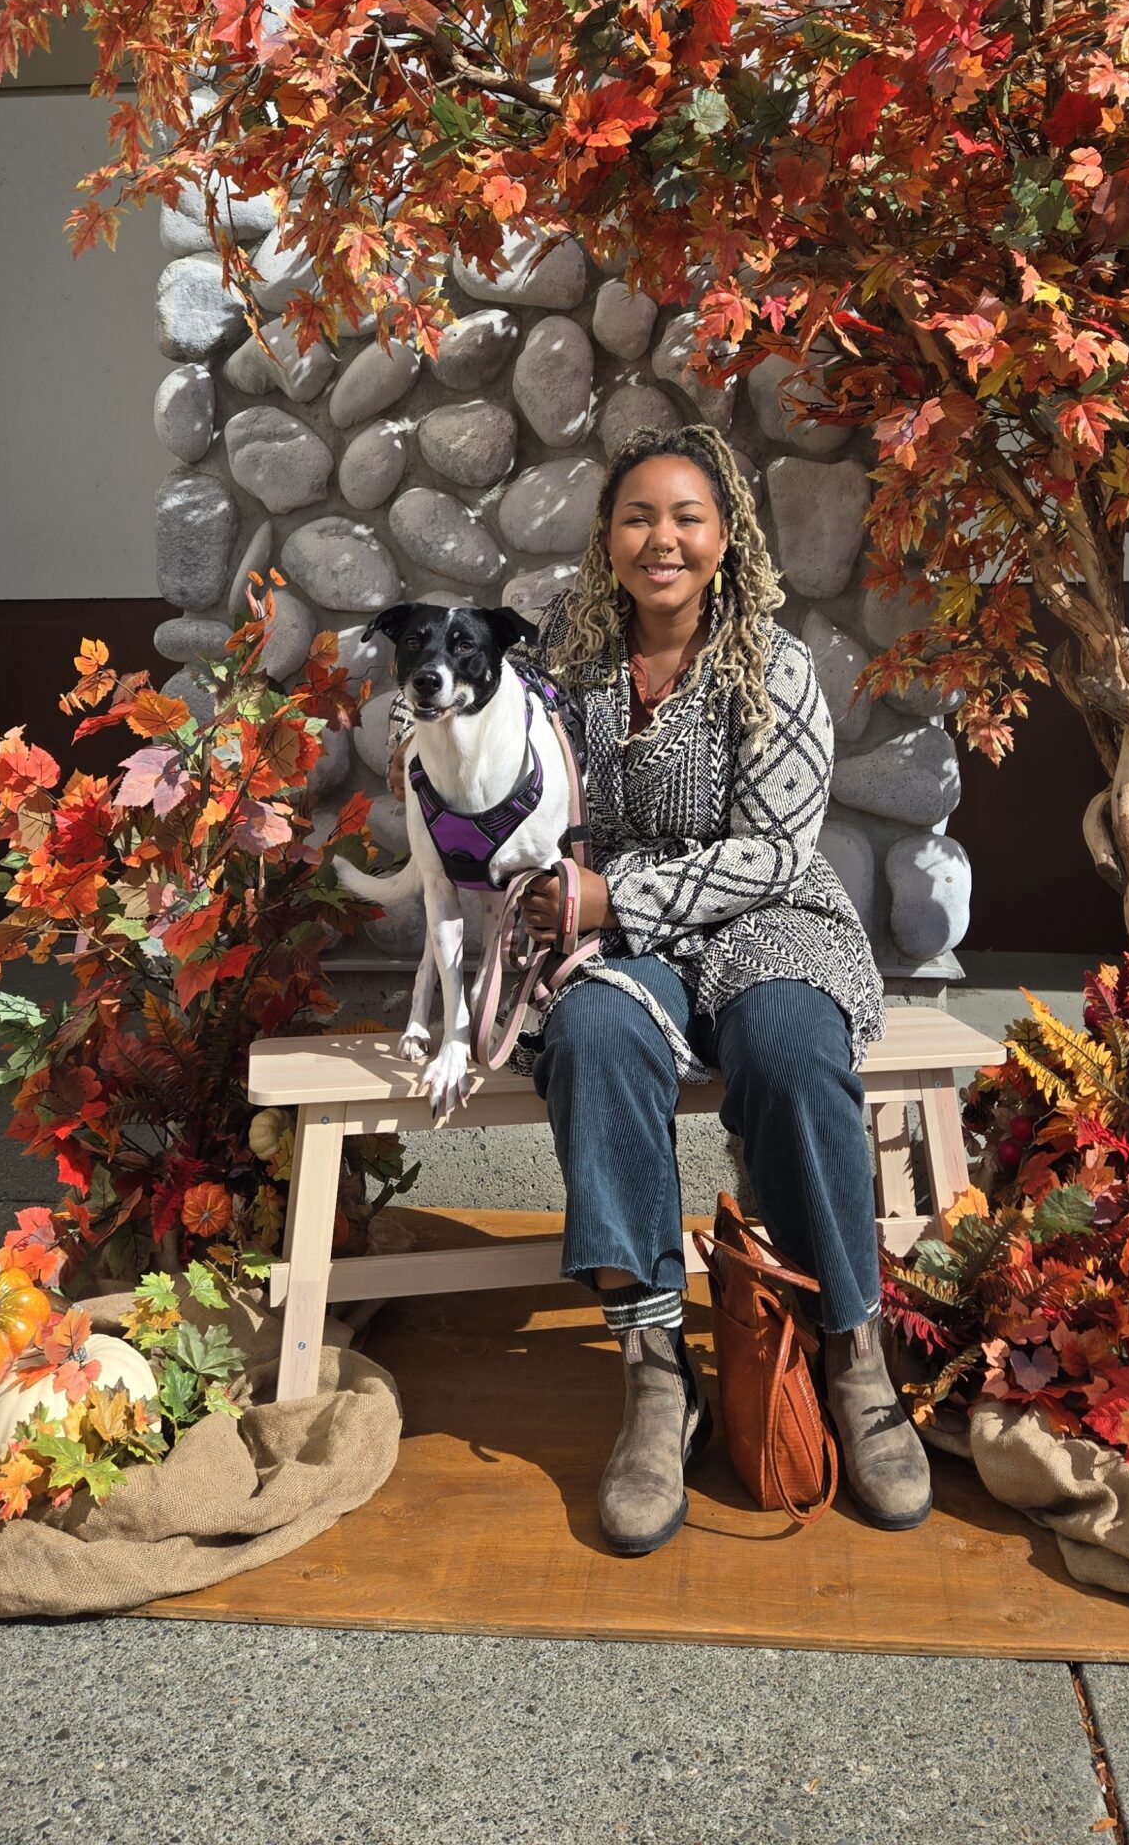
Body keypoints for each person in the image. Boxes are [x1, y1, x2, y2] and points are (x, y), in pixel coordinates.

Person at [387, 420, 931, 1555]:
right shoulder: (569, 669)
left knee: (788, 1047)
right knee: (590, 1039)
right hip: (621, 946)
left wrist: (613, 897)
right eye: (639, 515)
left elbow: (779, 850)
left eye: (687, 516)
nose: (662, 538)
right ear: (609, 537)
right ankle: (652, 1368)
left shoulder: (773, 666)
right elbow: (522, 798)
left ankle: (850, 1347)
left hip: (769, 923)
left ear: (726, 537)